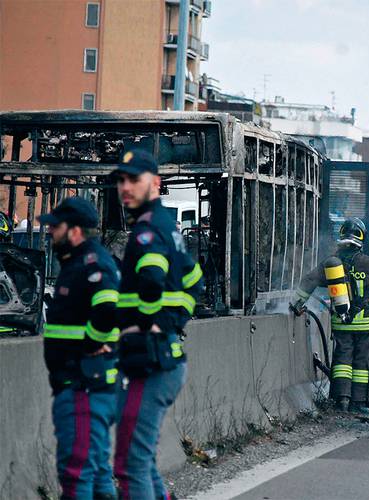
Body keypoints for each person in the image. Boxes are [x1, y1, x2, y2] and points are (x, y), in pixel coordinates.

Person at [112, 149, 203, 500]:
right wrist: (175, 319)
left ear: (155, 183)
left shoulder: (148, 230)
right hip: (162, 356)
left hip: (150, 361)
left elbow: (151, 280)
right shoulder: (167, 225)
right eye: (121, 180)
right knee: (142, 459)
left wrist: (147, 324)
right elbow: (193, 279)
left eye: (134, 180)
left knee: (130, 464)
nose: (126, 187)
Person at [38, 197, 120, 500]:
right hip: (80, 383)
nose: (50, 232)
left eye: (55, 227)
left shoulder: (92, 263)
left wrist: (91, 343)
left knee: (76, 471)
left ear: (74, 231)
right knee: (95, 469)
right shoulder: (78, 263)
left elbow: (109, 307)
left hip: (83, 384)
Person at [292, 217, 369, 413]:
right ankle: (358, 402)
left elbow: (309, 280)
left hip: (342, 321)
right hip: (365, 321)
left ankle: (341, 400)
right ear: (361, 238)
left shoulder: (331, 264)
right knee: (361, 362)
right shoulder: (368, 263)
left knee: (342, 360)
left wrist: (294, 304)